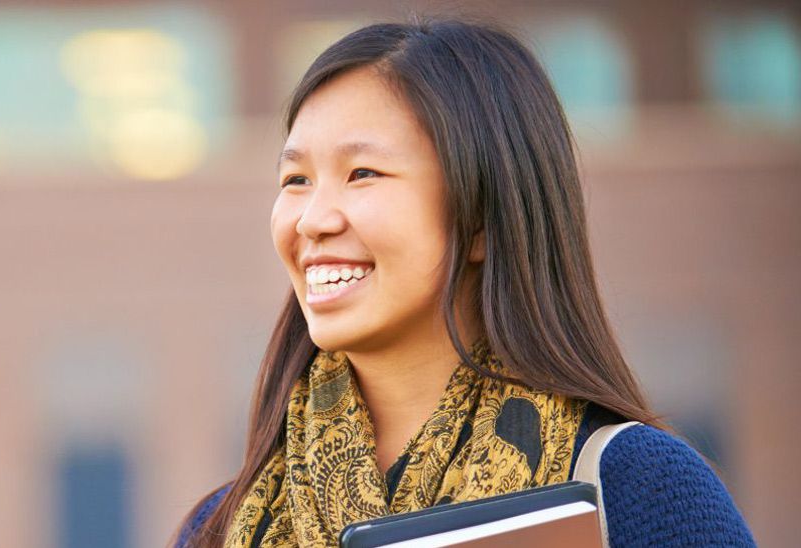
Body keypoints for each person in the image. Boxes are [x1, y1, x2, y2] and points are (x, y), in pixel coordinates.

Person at [172, 19, 755, 548]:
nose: (313, 219)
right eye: (296, 178)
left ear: (480, 216)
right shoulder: (221, 527)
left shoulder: (636, 488)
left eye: (362, 173)